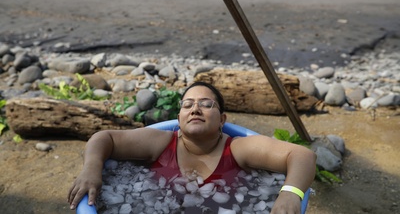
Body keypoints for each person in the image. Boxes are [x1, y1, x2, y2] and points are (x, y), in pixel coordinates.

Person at [67, 81, 316, 213]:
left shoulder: (238, 149)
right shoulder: (161, 143)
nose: (195, 108)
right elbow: (105, 138)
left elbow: (302, 154)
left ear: (222, 119)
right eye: (187, 105)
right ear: (179, 120)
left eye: (206, 104)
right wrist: (91, 169)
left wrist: (290, 193)